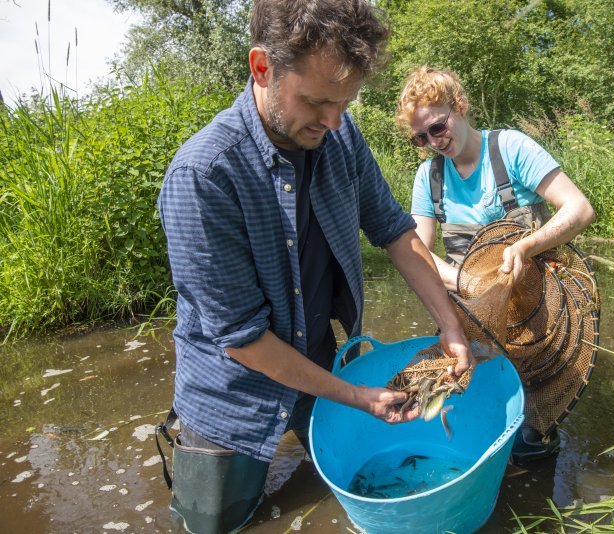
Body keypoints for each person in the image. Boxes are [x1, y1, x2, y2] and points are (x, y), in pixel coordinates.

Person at [157, 5, 472, 533]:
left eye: (344, 102)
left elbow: (394, 231)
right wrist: (357, 396)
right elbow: (242, 340)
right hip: (230, 400)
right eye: (317, 101)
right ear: (262, 68)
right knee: (215, 525)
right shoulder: (202, 176)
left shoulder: (339, 135)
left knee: (341, 497)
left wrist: (450, 325)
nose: (331, 121)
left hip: (320, 368)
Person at [396, 66, 595, 465]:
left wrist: (526, 247)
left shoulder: (512, 149)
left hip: (534, 315)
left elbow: (579, 208)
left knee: (529, 435)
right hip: (468, 313)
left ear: (460, 106)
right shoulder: (428, 177)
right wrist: (464, 281)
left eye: (438, 127)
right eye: (421, 137)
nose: (434, 142)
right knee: (465, 420)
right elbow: (417, 249)